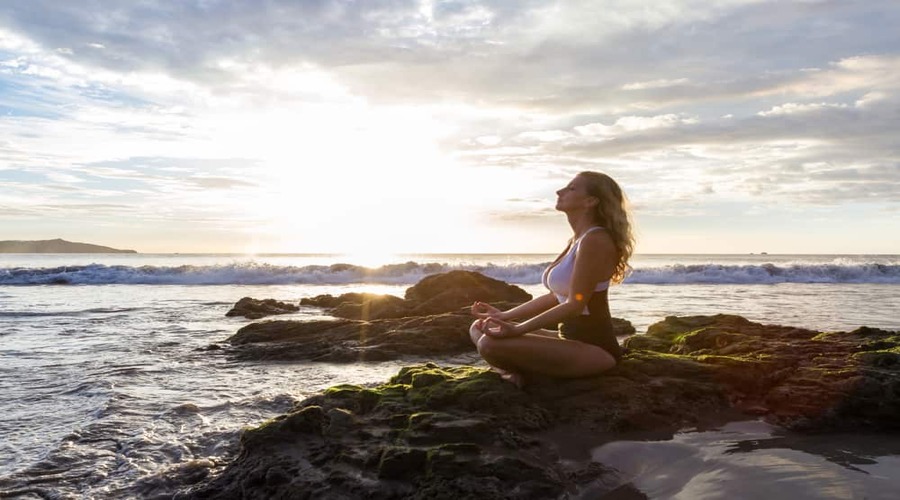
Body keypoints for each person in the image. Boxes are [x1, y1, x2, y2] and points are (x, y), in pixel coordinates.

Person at [469, 171, 635, 387]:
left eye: (571, 188)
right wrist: (504, 315)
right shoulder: (577, 239)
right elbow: (556, 296)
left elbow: (575, 304)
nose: (559, 191)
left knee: (490, 345)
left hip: (595, 349)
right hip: (566, 339)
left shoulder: (596, 240)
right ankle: (516, 373)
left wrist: (518, 329)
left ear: (590, 201)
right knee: (480, 326)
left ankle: (516, 375)